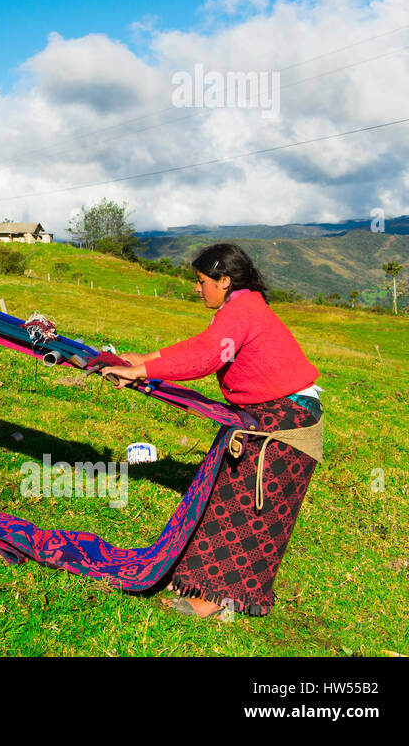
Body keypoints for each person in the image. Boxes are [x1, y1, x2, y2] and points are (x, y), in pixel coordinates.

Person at [101, 243, 322, 619]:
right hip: (267, 414)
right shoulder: (240, 307)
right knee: (219, 495)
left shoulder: (244, 308)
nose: (197, 288)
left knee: (247, 510)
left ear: (224, 280)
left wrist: (140, 372)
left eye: (202, 281)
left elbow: (207, 358)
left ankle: (218, 600)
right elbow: (202, 345)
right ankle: (197, 580)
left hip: (287, 421)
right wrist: (149, 359)